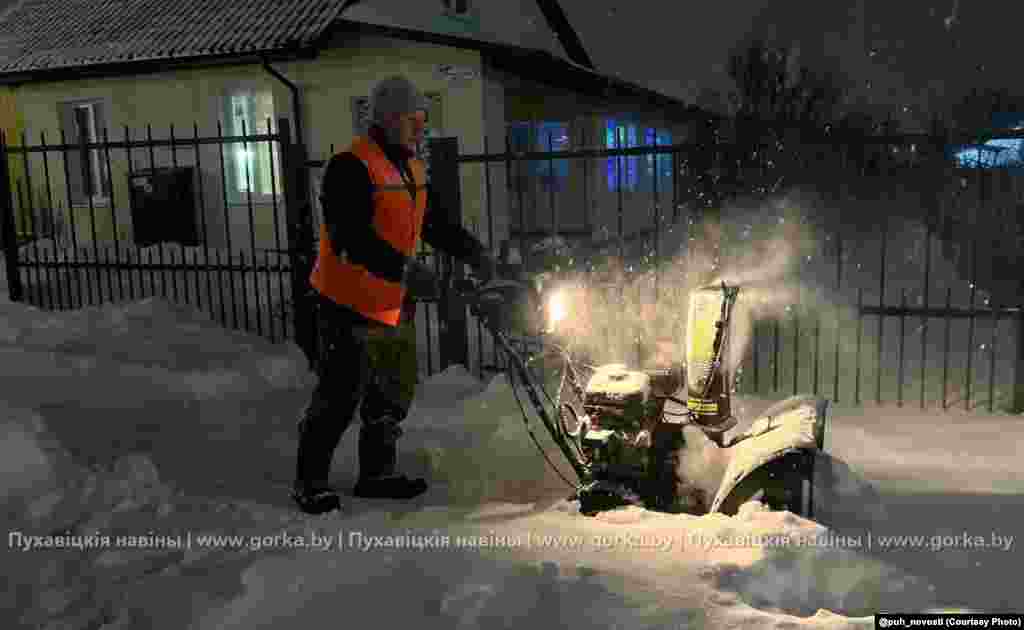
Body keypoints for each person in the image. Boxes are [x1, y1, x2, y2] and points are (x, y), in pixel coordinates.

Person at [292, 75, 497, 514]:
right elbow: (352, 237)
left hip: (391, 300)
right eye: (413, 119)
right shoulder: (350, 166)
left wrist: (475, 253)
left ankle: (377, 474)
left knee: (392, 392)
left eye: (423, 119)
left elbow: (434, 224)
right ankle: (309, 481)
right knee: (340, 394)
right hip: (347, 301)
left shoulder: (412, 168)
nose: (421, 128)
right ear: (387, 119)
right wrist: (408, 271)